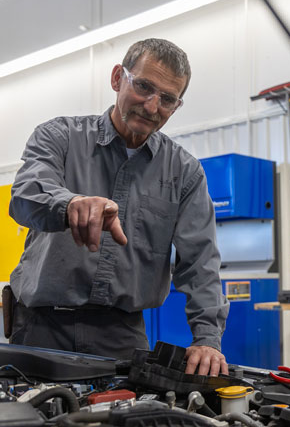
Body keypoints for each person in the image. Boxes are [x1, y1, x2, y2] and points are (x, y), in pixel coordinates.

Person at [8, 38, 229, 376]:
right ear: (117, 79)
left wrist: (207, 339)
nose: (152, 107)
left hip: (123, 336)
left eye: (168, 99)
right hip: (41, 328)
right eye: (143, 86)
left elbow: (200, 262)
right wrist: (70, 204)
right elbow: (24, 196)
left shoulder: (184, 173)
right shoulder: (59, 137)